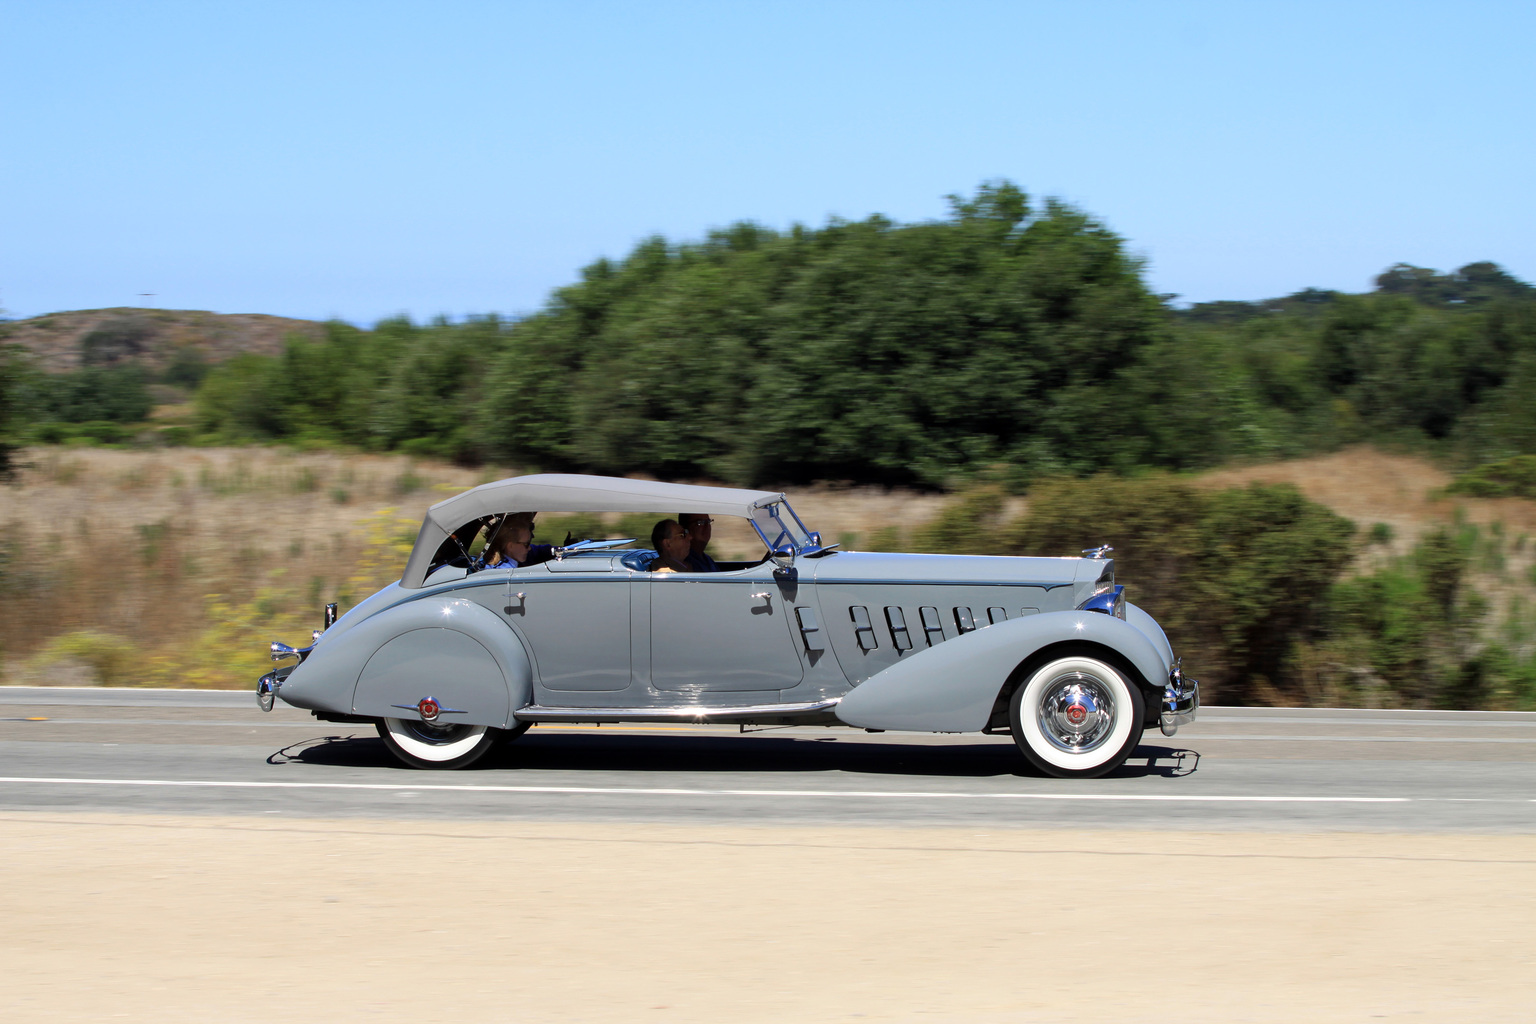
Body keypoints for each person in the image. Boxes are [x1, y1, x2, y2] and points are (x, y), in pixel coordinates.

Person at [474, 511, 553, 570]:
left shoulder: (511, 558)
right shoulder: (506, 571)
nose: (529, 548)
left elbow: (542, 550)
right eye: (526, 544)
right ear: (510, 546)